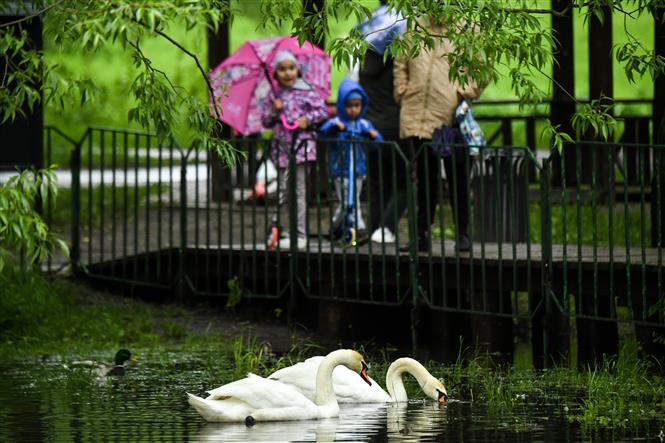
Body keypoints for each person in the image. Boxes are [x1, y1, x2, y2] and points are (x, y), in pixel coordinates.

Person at [394, 16, 483, 252]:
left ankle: (462, 233)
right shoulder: (415, 23)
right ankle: (421, 235)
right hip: (417, 112)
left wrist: (463, 94)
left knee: (458, 176)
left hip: (449, 116)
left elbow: (482, 66)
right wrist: (402, 89)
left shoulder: (469, 26)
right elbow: (401, 58)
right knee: (424, 177)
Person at [261, 50, 328, 250]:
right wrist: (274, 109)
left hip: (301, 148)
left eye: (291, 68)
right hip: (282, 149)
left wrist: (307, 120)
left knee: (298, 192)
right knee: (283, 191)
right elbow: (265, 121)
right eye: (282, 69)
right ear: (275, 73)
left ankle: (299, 234)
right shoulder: (274, 95)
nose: (288, 73)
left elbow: (322, 110)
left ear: (297, 69)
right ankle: (281, 230)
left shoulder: (306, 90)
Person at [356, 2, 408, 245]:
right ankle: (386, 228)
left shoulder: (365, 63)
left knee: (377, 183)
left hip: (371, 126)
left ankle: (376, 228)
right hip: (395, 127)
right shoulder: (397, 64)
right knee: (405, 182)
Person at [319, 78, 382, 244]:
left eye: (357, 105)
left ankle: (336, 226)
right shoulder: (337, 122)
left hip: (358, 170)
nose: (353, 109)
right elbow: (323, 133)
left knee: (349, 201)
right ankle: (359, 229)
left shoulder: (363, 124)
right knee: (349, 200)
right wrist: (333, 130)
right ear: (342, 105)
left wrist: (372, 137)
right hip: (341, 169)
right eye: (349, 105)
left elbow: (377, 142)